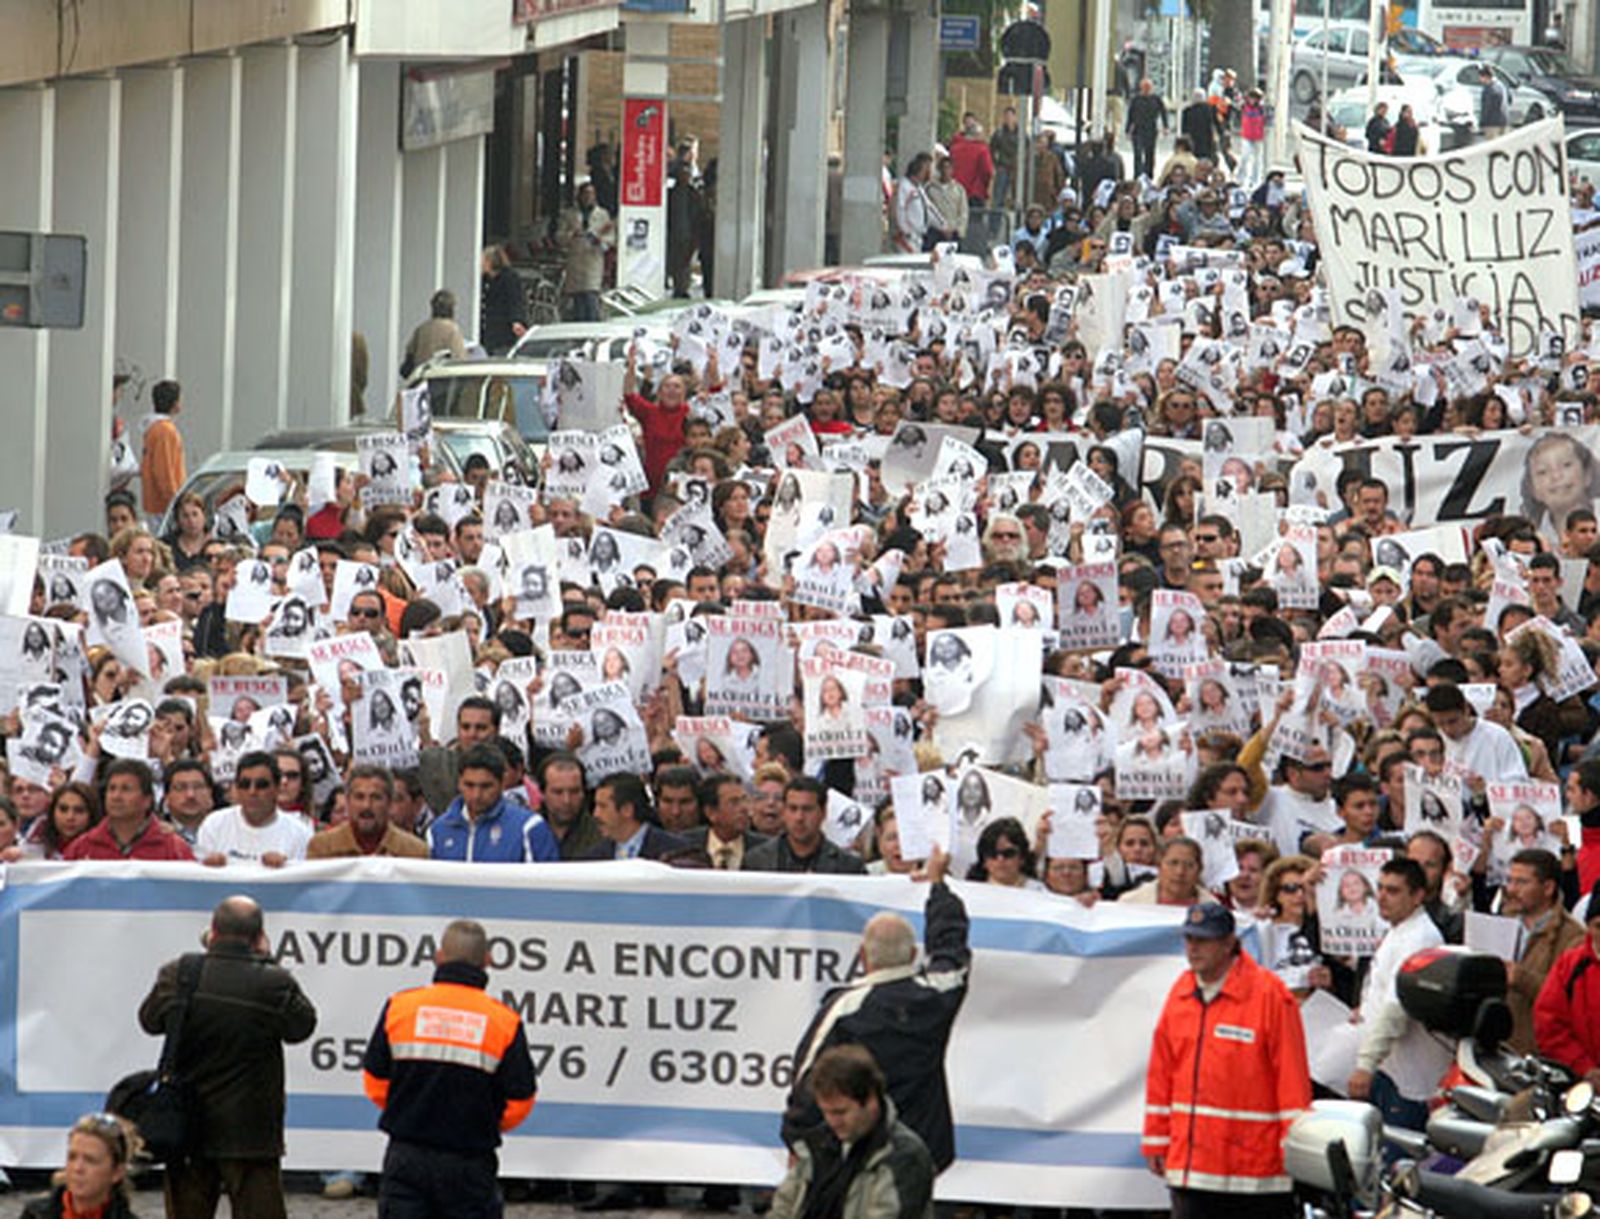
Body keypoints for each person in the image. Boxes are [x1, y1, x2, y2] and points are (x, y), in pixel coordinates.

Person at [783, 846, 967, 1171]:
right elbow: (950, 945)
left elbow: (809, 1078)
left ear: (863, 957)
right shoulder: (936, 994)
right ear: (912, 955)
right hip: (922, 1154)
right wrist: (938, 885)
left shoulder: (843, 1007)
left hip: (855, 1151)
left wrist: (797, 1140)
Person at [138, 896, 318, 1219]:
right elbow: (301, 1027)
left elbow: (149, 1021)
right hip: (251, 1132)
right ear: (258, 937)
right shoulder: (273, 982)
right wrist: (269, 961)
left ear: (213, 931)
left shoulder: (180, 973)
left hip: (187, 1125)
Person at [361, 918, 537, 1219]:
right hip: (470, 1159)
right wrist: (485, 1123)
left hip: (407, 1153)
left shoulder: (400, 1007)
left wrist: (408, 1110)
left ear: (439, 957)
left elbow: (374, 1080)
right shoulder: (503, 1022)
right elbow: (521, 1099)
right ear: (487, 961)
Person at [1142, 902, 1309, 1217]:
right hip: (1192, 1170)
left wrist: (1293, 1151)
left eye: (1203, 940)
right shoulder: (1181, 992)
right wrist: (1155, 1139)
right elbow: (1161, 1074)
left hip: (1255, 1176)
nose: (1193, 948)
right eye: (1189, 939)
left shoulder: (1270, 995)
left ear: (1229, 942)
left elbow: (1291, 1081)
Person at [770, 1046, 935, 1219]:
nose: (832, 1121)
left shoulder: (905, 1156)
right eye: (825, 1112)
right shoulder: (816, 1145)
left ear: (871, 1101)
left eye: (840, 1112)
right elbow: (783, 1209)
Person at [1348, 858, 1450, 1131]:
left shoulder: (1420, 938)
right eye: (1379, 888)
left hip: (1409, 1082)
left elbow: (1397, 1008)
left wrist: (1365, 1065)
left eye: (1393, 891)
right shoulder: (1400, 931)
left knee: (1399, 1162)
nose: (1381, 897)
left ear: (1417, 896)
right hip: (1392, 1068)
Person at [1501, 848, 1586, 1054]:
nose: (1511, 889)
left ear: (1548, 888)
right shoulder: (1503, 922)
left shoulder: (1573, 937)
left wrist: (1521, 978)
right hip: (1499, 1049)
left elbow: (1570, 1001)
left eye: (1522, 882)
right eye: (1510, 881)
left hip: (1538, 1057)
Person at [428, 744, 561, 862]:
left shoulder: (529, 828)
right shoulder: (437, 831)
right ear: (459, 782)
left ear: (502, 783)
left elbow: (546, 884)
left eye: (486, 786)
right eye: (469, 785)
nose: (476, 795)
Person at [1534, 879, 1600, 1082]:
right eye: (1599, 926)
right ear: (1588, 926)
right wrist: (1585, 1068)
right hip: (1578, 1085)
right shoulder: (1570, 965)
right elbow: (1549, 1024)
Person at [21, 1113, 141, 1219]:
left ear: (117, 1172)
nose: (78, 1168)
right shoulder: (35, 1214)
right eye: (72, 1157)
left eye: (91, 1160)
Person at [744, 777, 868, 874]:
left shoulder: (848, 866)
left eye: (807, 809)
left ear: (823, 812)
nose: (799, 818)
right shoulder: (756, 860)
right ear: (784, 811)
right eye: (793, 809)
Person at [306, 765, 429, 858]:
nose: (367, 806)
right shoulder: (323, 847)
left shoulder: (414, 851)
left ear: (389, 803)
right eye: (359, 797)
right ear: (348, 801)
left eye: (376, 797)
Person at [558, 181, 614, 322]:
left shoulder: (602, 215)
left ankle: (591, 327)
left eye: (591, 194)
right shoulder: (569, 214)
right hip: (576, 260)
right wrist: (571, 234)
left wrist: (600, 240)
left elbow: (611, 238)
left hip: (593, 260)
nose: (588, 197)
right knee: (578, 300)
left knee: (591, 296)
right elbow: (559, 237)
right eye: (585, 193)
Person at [142, 379, 188, 519]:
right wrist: (175, 502)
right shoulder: (165, 431)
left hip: (157, 504)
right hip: (163, 507)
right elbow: (164, 471)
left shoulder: (154, 429)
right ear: (174, 404)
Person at [401, 289, 467, 377]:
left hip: (421, 378)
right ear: (451, 308)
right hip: (443, 380)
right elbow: (459, 362)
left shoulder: (421, 329)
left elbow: (409, 359)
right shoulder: (453, 330)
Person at [479, 244, 526, 355]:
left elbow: (515, 300)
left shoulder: (509, 278)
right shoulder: (485, 279)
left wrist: (516, 320)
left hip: (502, 325)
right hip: (488, 327)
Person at [1126, 79, 1168, 182]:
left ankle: (1149, 174)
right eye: (1144, 87)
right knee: (1138, 153)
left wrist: (1165, 126)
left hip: (1151, 129)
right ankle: (1137, 174)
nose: (1146, 90)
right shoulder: (1136, 99)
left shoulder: (1156, 99)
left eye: (1148, 87)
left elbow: (1163, 113)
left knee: (1150, 153)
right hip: (1138, 129)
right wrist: (1128, 130)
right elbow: (1130, 115)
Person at [1479, 64, 1510, 140]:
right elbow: (1509, 99)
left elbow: (1487, 108)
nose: (1479, 79)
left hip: (1492, 124)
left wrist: (1482, 122)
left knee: (1492, 147)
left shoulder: (1489, 89)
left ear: (1485, 77)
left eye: (1480, 77)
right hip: (1504, 121)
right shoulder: (1501, 86)